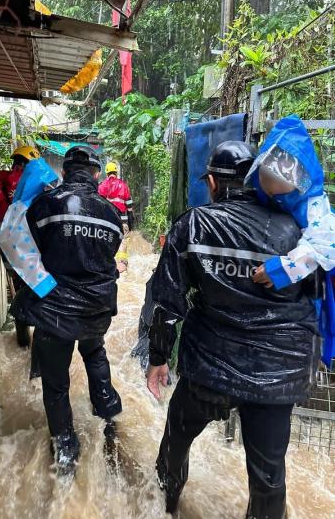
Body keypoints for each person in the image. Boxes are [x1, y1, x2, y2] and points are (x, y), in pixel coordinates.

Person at [146, 141, 318, 518]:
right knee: (269, 477)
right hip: (278, 374)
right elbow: (315, 299)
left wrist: (158, 358)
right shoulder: (297, 232)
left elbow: (166, 300)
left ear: (212, 182)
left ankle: (164, 506)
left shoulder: (193, 224)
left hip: (209, 367)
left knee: (175, 443)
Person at [11, 146, 122, 476]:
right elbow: (110, 255)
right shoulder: (111, 214)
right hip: (96, 310)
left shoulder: (46, 204)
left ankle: (66, 448)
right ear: (96, 174)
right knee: (94, 353)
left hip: (55, 310)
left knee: (56, 384)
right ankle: (109, 416)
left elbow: (28, 248)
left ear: (65, 172)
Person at [246, 115, 334, 291]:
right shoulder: (256, 184)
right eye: (265, 178)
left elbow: (325, 244)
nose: (270, 190)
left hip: (305, 277)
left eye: (279, 181)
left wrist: (281, 269)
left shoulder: (312, 205)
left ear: (300, 180)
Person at [0, 145, 40, 347]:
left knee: (19, 288)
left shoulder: (1, 179)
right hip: (30, 246)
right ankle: (39, 343)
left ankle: (23, 341)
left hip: (7, 247)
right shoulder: (33, 183)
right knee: (40, 289)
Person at [99, 161, 133, 272]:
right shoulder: (123, 185)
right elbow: (129, 204)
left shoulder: (103, 185)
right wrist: (131, 218)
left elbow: (99, 203)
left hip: (108, 220)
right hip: (122, 220)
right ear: (116, 172)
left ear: (107, 173)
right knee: (123, 241)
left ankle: (107, 264)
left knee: (106, 240)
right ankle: (123, 266)